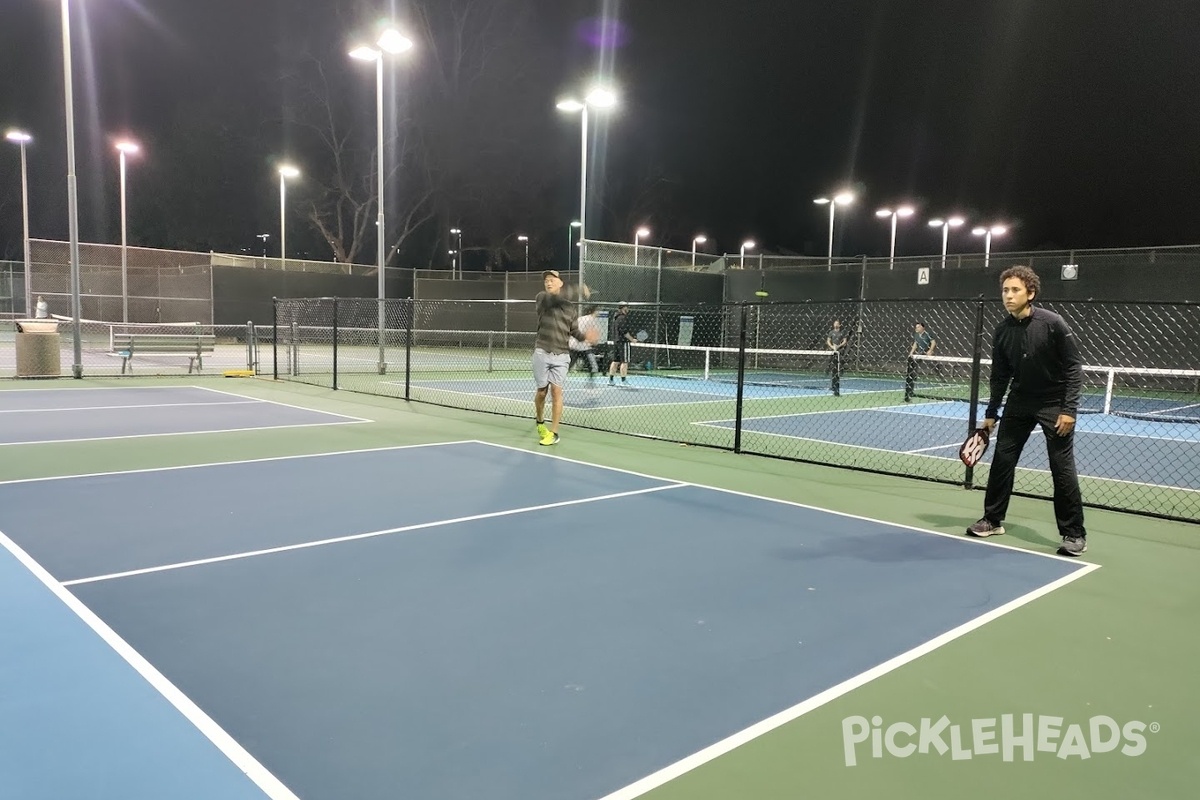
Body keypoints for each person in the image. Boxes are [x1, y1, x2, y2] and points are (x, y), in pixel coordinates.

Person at [966, 265, 1088, 557]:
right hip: (1019, 403)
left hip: (1054, 404)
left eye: (1015, 290)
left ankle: (1074, 533)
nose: (1008, 296)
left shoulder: (1053, 323)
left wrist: (1068, 409)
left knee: (1062, 469)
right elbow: (1000, 375)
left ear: (1030, 293)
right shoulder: (1002, 330)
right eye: (1005, 290)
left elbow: (1073, 366)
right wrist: (992, 412)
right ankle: (992, 520)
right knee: (1002, 462)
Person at [534, 270, 597, 446]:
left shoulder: (570, 308)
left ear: (560, 283)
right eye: (546, 280)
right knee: (541, 392)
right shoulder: (542, 298)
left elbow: (574, 331)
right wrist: (579, 289)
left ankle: (553, 433)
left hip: (562, 355)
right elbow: (555, 298)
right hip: (542, 352)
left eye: (552, 280)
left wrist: (587, 338)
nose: (548, 283)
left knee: (556, 391)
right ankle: (540, 422)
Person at [569, 305, 601, 390]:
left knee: (566, 367)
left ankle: (556, 383)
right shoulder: (592, 320)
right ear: (594, 311)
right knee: (594, 367)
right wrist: (593, 341)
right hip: (583, 347)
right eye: (598, 310)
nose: (599, 312)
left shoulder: (580, 318)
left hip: (574, 345)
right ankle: (590, 384)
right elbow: (593, 335)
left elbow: (574, 330)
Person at [904, 321, 937, 401]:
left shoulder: (928, 334)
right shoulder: (916, 335)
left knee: (934, 366)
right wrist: (911, 352)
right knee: (912, 364)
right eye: (916, 327)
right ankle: (911, 379)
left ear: (923, 327)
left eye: (918, 327)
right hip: (919, 353)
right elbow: (915, 344)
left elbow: (933, 342)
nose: (916, 328)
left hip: (927, 353)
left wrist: (930, 350)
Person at [607, 302, 636, 385]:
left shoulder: (615, 318)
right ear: (623, 308)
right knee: (625, 361)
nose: (628, 309)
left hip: (616, 342)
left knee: (615, 361)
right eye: (627, 307)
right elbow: (625, 332)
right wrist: (632, 339)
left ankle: (611, 380)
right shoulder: (623, 318)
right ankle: (624, 380)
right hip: (623, 343)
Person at [826, 319, 848, 396]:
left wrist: (838, 346)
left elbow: (845, 341)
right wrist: (832, 347)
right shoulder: (831, 332)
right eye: (834, 323)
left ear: (839, 325)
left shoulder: (842, 332)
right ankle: (833, 386)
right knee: (833, 369)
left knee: (838, 368)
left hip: (840, 353)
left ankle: (837, 387)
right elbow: (828, 341)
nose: (835, 324)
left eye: (837, 323)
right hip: (833, 352)